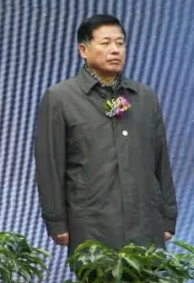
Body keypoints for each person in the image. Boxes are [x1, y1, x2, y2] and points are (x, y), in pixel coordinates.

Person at [34, 14, 177, 253]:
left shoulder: (145, 97)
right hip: (91, 225)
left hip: (144, 223)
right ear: (83, 49)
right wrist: (56, 220)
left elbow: (161, 161)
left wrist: (168, 216)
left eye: (120, 43)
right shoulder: (61, 98)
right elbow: (49, 165)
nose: (115, 50)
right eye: (106, 43)